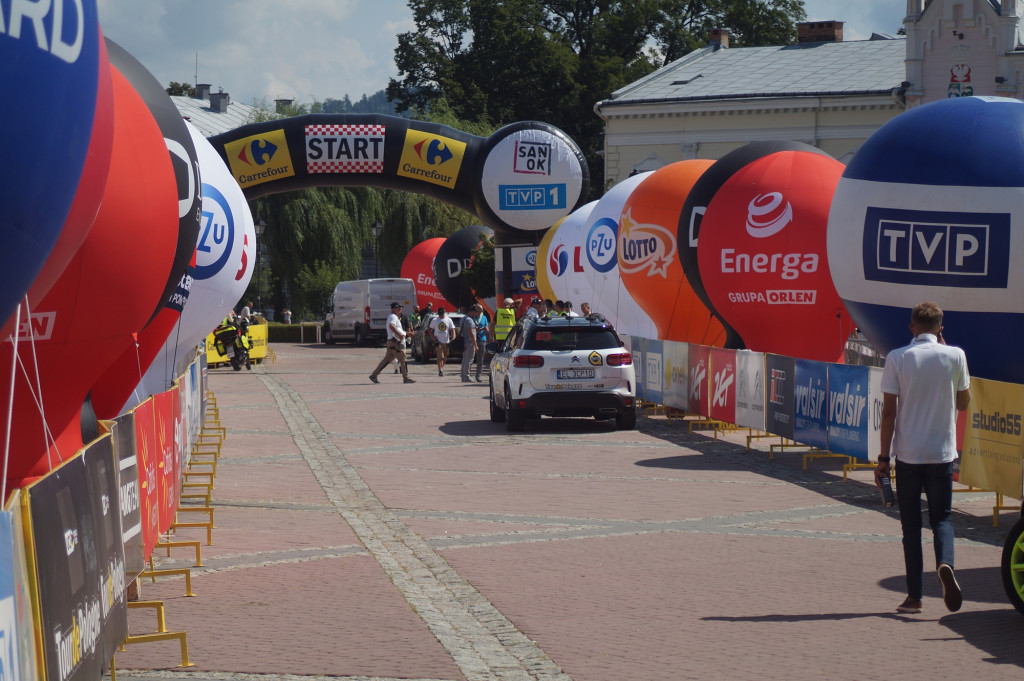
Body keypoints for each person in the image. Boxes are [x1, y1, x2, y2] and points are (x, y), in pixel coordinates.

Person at [876, 302, 970, 615]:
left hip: (908, 454)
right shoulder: (955, 355)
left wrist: (882, 458)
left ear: (912, 328)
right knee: (942, 518)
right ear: (940, 329)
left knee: (911, 527)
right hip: (942, 452)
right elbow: (964, 400)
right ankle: (945, 563)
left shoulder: (897, 358)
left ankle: (914, 597)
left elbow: (889, 412)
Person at [369, 302, 416, 384]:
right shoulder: (393, 317)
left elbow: (397, 329)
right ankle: (406, 378)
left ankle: (374, 375)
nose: (400, 310)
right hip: (394, 342)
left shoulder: (392, 317)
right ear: (394, 309)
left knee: (386, 360)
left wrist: (406, 334)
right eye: (398, 308)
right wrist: (400, 334)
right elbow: (392, 326)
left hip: (392, 342)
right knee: (403, 359)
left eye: (400, 308)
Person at [428, 307, 453, 376]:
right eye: (440, 314)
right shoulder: (435, 320)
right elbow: (429, 329)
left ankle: (441, 367)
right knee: (439, 356)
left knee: (445, 356)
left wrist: (453, 337)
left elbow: (452, 329)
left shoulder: (448, 320)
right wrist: (433, 338)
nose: (441, 315)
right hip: (438, 341)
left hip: (446, 341)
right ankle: (440, 370)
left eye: (442, 314)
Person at [459, 306, 479, 383]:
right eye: (474, 312)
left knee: (465, 359)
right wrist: (475, 345)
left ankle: (463, 377)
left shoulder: (463, 319)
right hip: (469, 341)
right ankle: (467, 377)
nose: (475, 314)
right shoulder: (469, 320)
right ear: (470, 312)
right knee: (469, 360)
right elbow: (471, 333)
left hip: (464, 340)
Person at [473, 304, 489, 382]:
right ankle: (467, 375)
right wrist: (475, 329)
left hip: (482, 339)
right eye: (479, 310)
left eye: (481, 310)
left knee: (480, 359)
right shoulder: (472, 318)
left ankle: (478, 375)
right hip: (473, 340)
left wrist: (485, 329)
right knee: (471, 358)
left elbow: (487, 328)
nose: (480, 311)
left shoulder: (484, 318)